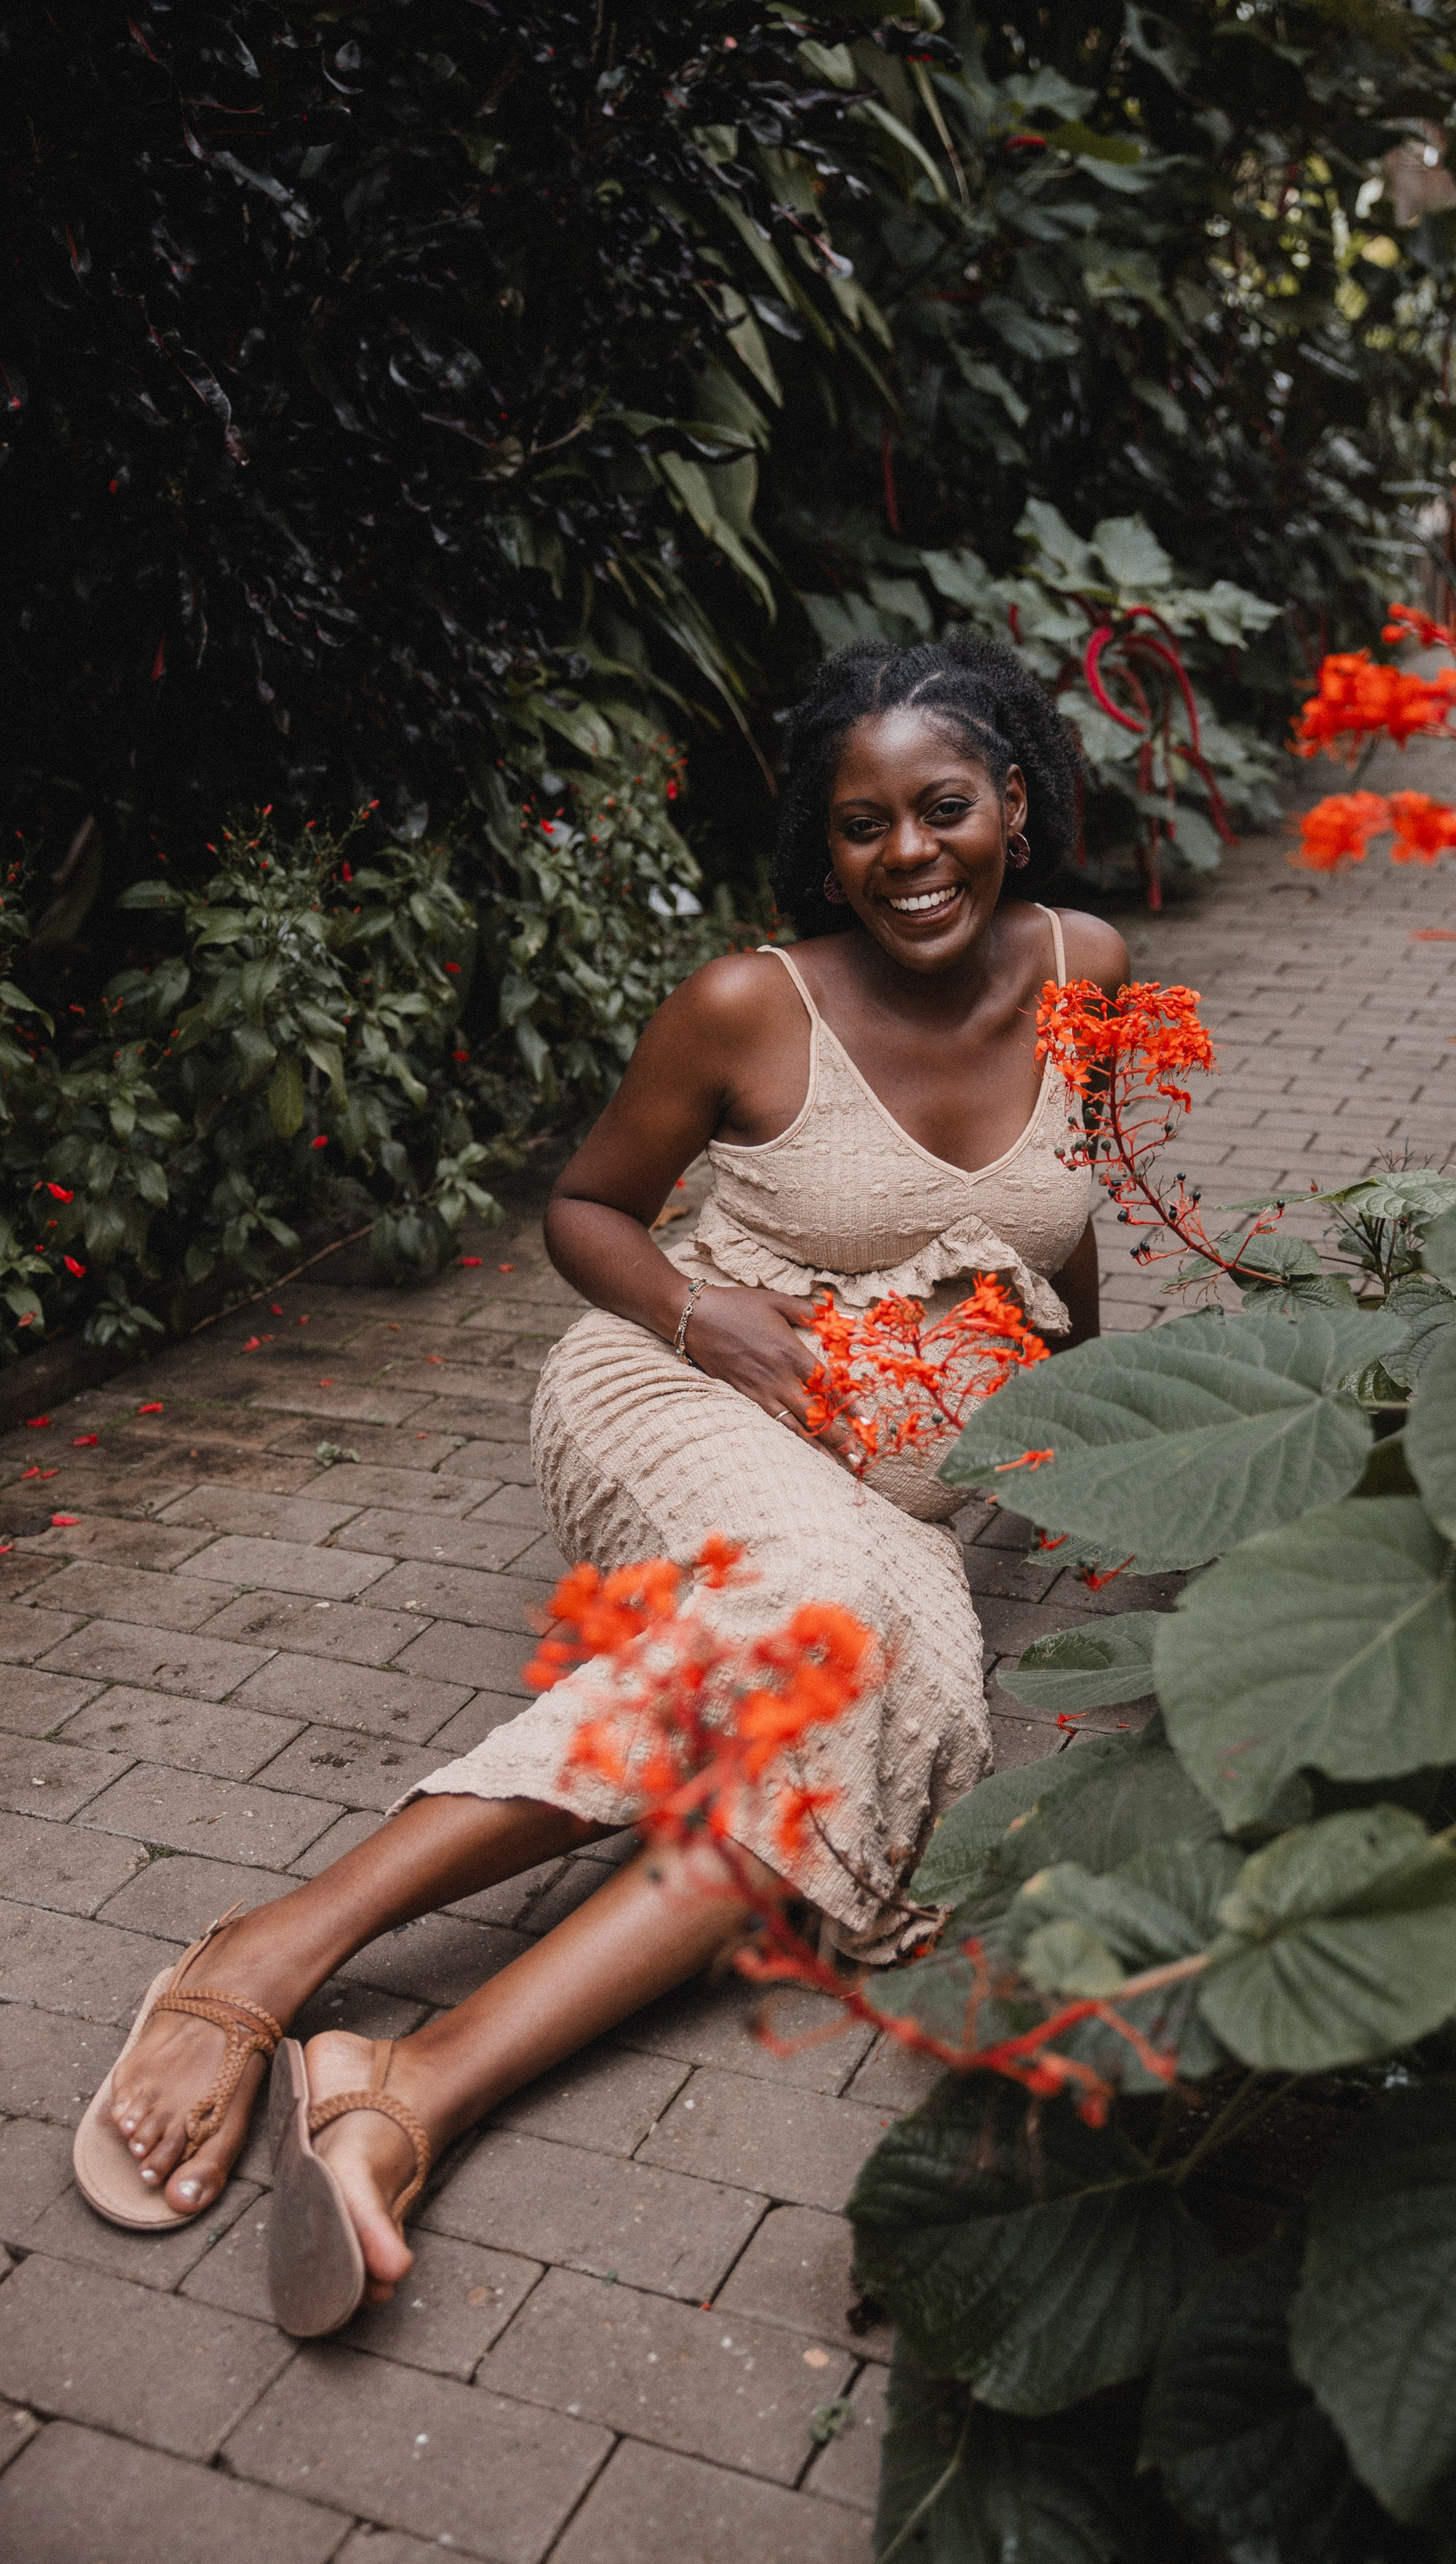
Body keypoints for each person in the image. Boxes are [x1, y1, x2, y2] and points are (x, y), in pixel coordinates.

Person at [73, 632, 1130, 2334]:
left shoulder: (1089, 967)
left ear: (1013, 801)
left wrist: (1112, 1430)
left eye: (942, 808)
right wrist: (704, 1309)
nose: (907, 854)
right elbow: (585, 1209)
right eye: (862, 828)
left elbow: (1073, 1233)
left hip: (900, 1500)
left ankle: (403, 2091)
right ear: (827, 845)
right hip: (675, 1398)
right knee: (829, 1629)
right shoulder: (744, 1002)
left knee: (852, 1694)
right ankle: (273, 1949)